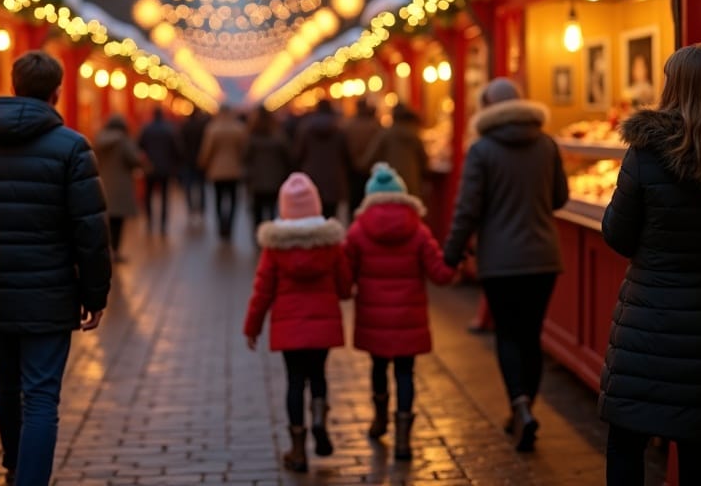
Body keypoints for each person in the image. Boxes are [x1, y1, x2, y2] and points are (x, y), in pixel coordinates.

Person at [0, 50, 111, 486]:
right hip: (50, 292)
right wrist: (95, 295)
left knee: (6, 382)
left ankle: (14, 466)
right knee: (40, 396)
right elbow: (90, 231)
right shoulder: (72, 148)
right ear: (57, 92)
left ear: (13, 85)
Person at [598, 44, 701, 486]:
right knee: (699, 454)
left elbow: (616, 233)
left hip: (647, 322)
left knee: (625, 445)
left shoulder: (646, 152)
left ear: (672, 87)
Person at [442, 77, 568, 453]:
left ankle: (519, 405)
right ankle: (525, 406)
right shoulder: (547, 144)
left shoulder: (482, 151)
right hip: (544, 258)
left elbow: (468, 209)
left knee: (508, 334)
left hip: (500, 261)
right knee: (531, 335)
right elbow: (559, 197)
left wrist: (452, 251)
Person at [346, 162, 456, 459]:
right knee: (406, 372)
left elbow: (346, 276)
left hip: (374, 316)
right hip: (409, 316)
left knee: (379, 367)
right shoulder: (418, 230)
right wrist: (457, 260)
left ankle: (380, 419)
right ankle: (404, 437)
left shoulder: (358, 230)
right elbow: (440, 274)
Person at [243, 172, 351, 473]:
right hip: (323, 327)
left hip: (289, 328)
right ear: (316, 206)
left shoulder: (275, 247)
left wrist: (252, 327)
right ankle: (319, 417)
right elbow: (344, 286)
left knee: (294, 382)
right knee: (318, 376)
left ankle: (299, 450)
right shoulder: (331, 243)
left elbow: (262, 290)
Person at [94, 113, 143, 263]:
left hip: (102, 184)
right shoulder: (123, 140)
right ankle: (115, 251)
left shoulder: (99, 139)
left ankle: (103, 250)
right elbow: (134, 159)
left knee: (103, 221)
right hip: (121, 186)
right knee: (118, 222)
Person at [362, 103, 430, 203]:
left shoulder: (385, 134)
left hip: (390, 182)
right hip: (411, 182)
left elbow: (370, 158)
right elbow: (424, 160)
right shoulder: (414, 135)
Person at [198, 105, 248, 239]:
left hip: (217, 170)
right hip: (234, 170)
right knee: (233, 199)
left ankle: (221, 225)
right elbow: (244, 150)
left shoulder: (213, 128)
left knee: (218, 199)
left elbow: (207, 150)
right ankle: (230, 225)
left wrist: (203, 164)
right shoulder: (239, 128)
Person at [295, 99, 349, 219]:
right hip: (333, 178)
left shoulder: (306, 128)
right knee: (331, 216)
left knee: (314, 215)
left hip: (312, 176)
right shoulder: (339, 129)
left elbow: (299, 154)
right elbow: (346, 155)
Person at [243, 107, 292, 235]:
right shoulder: (279, 136)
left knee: (257, 210)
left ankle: (259, 236)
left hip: (256, 180)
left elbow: (245, 158)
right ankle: (271, 235)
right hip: (275, 179)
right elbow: (288, 157)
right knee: (272, 209)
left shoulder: (251, 137)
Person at [137, 106, 182, 233]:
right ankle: (163, 224)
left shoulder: (147, 129)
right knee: (164, 196)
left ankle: (150, 222)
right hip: (165, 167)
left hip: (150, 168)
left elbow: (139, 146)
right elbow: (176, 149)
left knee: (149, 196)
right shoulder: (169, 129)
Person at [340, 98, 384, 216]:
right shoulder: (375, 125)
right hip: (371, 170)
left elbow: (343, 149)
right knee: (370, 201)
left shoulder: (348, 125)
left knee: (354, 202)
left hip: (353, 171)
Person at [179, 108, 210, 216]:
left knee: (188, 186)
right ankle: (201, 207)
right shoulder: (202, 127)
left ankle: (190, 207)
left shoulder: (185, 126)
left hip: (187, 160)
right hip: (199, 160)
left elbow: (180, 144)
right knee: (201, 185)